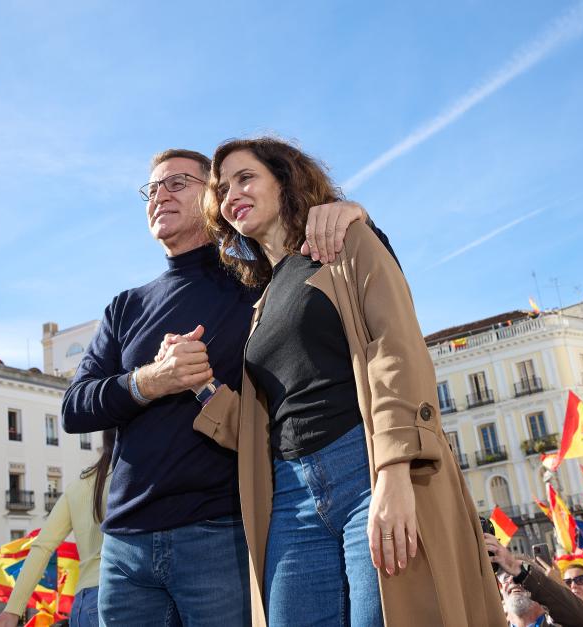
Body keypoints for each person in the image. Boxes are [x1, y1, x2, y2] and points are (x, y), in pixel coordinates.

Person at [187, 137, 505, 626]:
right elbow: (267, 421)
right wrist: (202, 389)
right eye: (222, 188)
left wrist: (394, 473)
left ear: (285, 179)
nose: (231, 194)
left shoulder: (344, 243)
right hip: (290, 496)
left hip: (366, 469)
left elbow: (394, 348)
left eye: (245, 177)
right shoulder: (261, 303)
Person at [61, 147, 371, 626]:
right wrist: (150, 380)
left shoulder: (258, 283)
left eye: (177, 183)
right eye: (152, 188)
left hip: (220, 534)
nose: (159, 196)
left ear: (215, 199)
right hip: (124, 545)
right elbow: (74, 409)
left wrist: (349, 214)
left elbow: (340, 276)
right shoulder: (124, 307)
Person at [0, 429, 115, 627]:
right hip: (120, 595)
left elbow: (42, 547)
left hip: (82, 604)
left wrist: (12, 610)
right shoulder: (134, 475)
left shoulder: (78, 486)